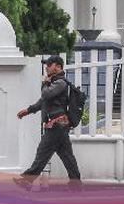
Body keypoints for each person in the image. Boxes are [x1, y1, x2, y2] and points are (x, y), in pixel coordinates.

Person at [14, 55, 81, 189]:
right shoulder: (54, 83)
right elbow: (43, 102)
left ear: (58, 67)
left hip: (56, 126)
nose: (46, 67)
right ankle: (76, 184)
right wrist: (28, 110)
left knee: (42, 153)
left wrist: (45, 82)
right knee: (67, 157)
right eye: (46, 65)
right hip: (59, 127)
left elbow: (46, 95)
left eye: (49, 65)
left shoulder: (60, 83)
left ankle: (27, 180)